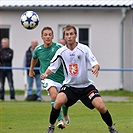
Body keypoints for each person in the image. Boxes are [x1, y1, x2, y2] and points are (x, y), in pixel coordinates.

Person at [41, 25, 119, 133]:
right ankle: (51, 127)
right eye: (67, 34)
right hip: (70, 87)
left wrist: (96, 67)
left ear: (76, 35)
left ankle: (112, 128)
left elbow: (95, 63)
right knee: (58, 101)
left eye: (71, 34)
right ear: (64, 37)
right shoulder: (61, 52)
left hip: (86, 87)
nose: (69, 36)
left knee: (101, 106)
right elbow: (52, 67)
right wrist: (45, 74)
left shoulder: (84, 49)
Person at [29, 27, 70, 128]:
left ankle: (64, 113)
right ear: (42, 37)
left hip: (61, 78)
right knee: (54, 95)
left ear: (53, 36)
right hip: (47, 77)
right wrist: (31, 70)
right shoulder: (38, 49)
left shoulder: (59, 47)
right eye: (45, 35)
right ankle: (60, 120)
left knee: (64, 101)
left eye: (49, 34)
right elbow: (34, 58)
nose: (47, 37)